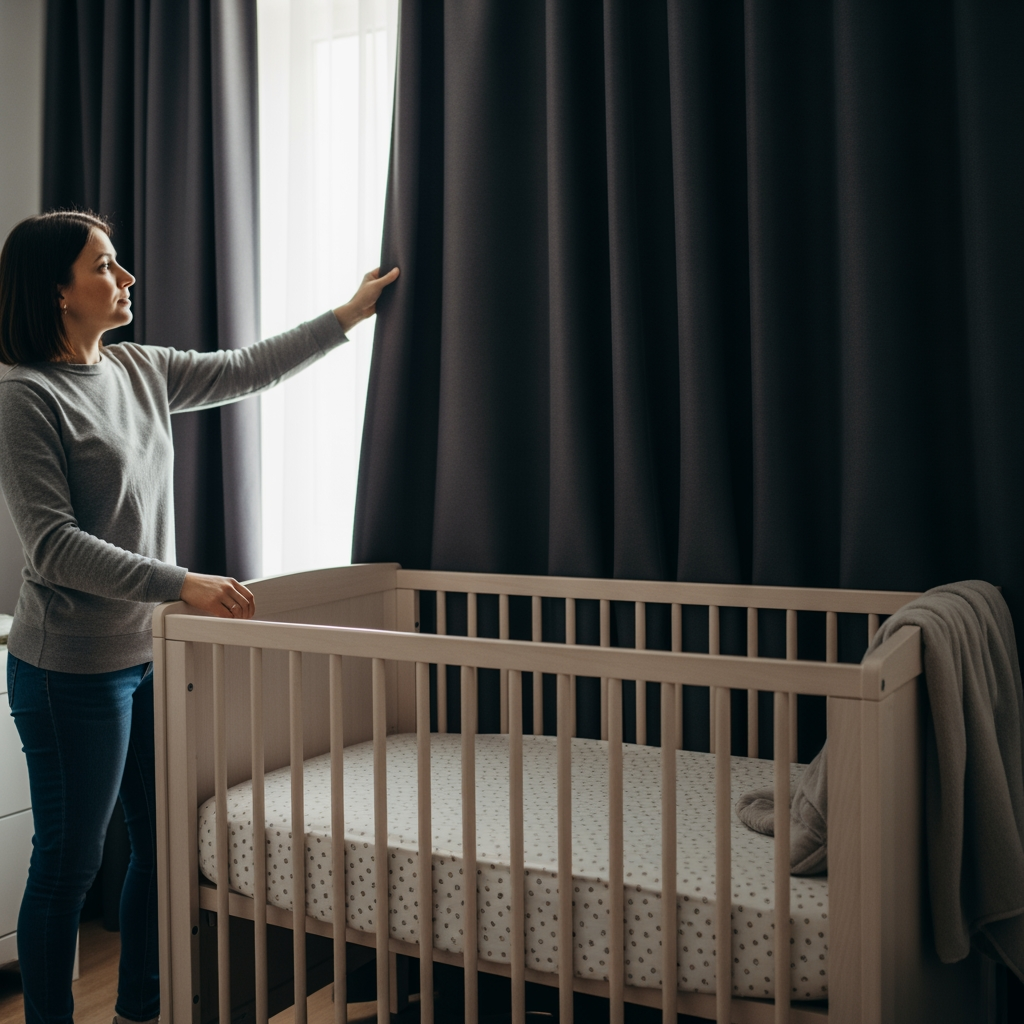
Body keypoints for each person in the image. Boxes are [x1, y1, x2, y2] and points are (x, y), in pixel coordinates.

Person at [0, 210, 398, 1024]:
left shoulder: (140, 370)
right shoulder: (23, 397)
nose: (126, 278)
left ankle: (139, 1010)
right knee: (68, 867)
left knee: (163, 845)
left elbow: (247, 368)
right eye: (106, 267)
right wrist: (182, 583)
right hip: (68, 669)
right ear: (57, 292)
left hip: (149, 653)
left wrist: (348, 315)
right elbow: (54, 550)